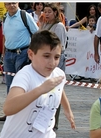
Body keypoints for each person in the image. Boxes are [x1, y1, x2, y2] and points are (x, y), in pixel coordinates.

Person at [0, 2, 38, 121]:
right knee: (10, 84)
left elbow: (36, 33)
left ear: (18, 3)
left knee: (22, 83)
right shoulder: (5, 17)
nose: (11, 5)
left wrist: (33, 52)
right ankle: (11, 111)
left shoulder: (25, 16)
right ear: (5, 5)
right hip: (8, 54)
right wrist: (4, 51)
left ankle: (23, 112)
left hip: (22, 53)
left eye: (13, 3)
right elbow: (5, 35)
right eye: (8, 3)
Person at [41, 2, 67, 131]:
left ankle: (54, 121)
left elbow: (60, 45)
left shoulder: (59, 26)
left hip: (56, 60)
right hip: (44, 61)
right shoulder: (44, 24)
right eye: (45, 11)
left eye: (49, 11)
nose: (46, 14)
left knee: (56, 90)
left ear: (55, 13)